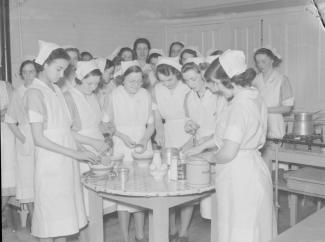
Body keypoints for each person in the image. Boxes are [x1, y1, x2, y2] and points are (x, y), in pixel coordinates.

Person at [184, 50, 276, 242]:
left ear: (230, 80)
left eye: (216, 84)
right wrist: (201, 147)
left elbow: (227, 152)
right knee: (249, 225)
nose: (215, 89)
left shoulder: (239, 107)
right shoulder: (252, 96)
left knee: (240, 227)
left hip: (239, 174)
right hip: (251, 166)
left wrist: (209, 157)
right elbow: (227, 136)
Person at [25, 40, 108, 242]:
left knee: (64, 220)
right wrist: (75, 153)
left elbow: (66, 130)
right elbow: (39, 139)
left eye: (64, 70)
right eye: (59, 69)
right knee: (49, 218)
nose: (62, 75)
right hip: (50, 163)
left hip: (66, 161)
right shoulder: (35, 92)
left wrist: (84, 150)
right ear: (44, 64)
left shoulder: (56, 91)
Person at [104, 60, 154, 242]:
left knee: (141, 189)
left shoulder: (146, 94)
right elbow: (106, 124)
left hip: (142, 144)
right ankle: (125, 237)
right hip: (121, 143)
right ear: (122, 79)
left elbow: (151, 123)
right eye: (131, 81)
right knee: (123, 192)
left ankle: (140, 235)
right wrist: (121, 135)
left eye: (139, 81)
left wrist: (144, 139)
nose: (136, 85)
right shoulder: (114, 95)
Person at [181, 57, 227, 220]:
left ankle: (220, 224)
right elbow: (189, 120)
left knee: (217, 186)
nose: (190, 84)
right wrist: (190, 126)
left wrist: (207, 140)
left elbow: (223, 125)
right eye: (186, 80)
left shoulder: (217, 95)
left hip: (217, 144)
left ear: (202, 74)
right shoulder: (188, 97)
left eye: (193, 79)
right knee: (200, 183)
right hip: (198, 145)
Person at [153, 57, 191, 242]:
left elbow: (195, 116)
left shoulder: (187, 87)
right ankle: (172, 227)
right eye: (162, 80)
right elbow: (157, 114)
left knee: (186, 183)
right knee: (170, 182)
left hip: (187, 132)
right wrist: (159, 131)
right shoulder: (158, 89)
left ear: (177, 73)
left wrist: (191, 142)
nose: (166, 84)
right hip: (169, 134)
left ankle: (183, 230)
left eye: (170, 80)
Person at [5, 60, 37, 222]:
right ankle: (34, 219)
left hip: (44, 137)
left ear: (37, 72)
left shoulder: (42, 89)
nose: (28, 75)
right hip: (26, 137)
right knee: (28, 180)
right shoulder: (18, 92)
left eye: (31, 71)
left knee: (42, 179)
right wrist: (24, 139)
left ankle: (45, 218)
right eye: (25, 72)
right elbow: (10, 120)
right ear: (21, 74)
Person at [253, 47, 294, 171]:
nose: (260, 65)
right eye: (258, 62)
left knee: (275, 163)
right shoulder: (255, 80)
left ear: (272, 60)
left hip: (275, 124)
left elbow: (287, 108)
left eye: (263, 61)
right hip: (257, 124)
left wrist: (266, 110)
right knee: (259, 163)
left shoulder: (282, 79)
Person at [1, 79, 16, 220]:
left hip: (7, 133)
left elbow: (14, 109)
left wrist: (6, 113)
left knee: (7, 177)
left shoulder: (7, 86)